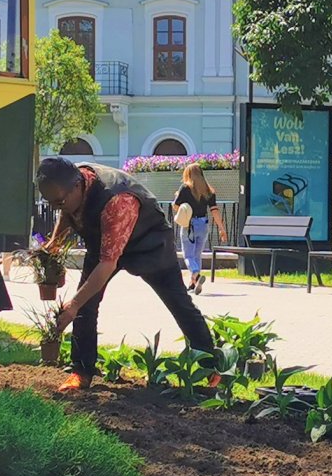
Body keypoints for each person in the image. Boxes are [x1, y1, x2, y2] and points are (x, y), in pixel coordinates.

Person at [34, 156, 215, 392]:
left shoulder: (116, 199)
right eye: (51, 204)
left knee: (179, 303)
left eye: (59, 202)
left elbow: (108, 264)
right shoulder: (70, 181)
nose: (57, 207)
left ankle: (212, 369)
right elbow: (68, 216)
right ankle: (81, 371)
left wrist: (74, 304)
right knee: (86, 304)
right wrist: (52, 251)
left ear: (77, 186)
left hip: (148, 244)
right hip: (103, 243)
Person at [172, 161, 228, 295]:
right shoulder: (209, 191)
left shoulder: (185, 188)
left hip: (189, 225)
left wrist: (181, 203)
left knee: (188, 255)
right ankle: (194, 284)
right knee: (197, 255)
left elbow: (175, 206)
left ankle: (196, 274)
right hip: (203, 224)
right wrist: (221, 228)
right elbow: (214, 210)